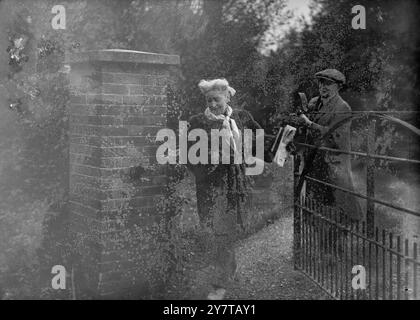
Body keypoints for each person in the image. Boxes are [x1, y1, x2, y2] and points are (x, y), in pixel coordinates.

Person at [186, 78, 278, 300]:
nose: (212, 105)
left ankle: (221, 282)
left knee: (224, 231)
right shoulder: (197, 122)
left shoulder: (241, 117)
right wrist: (211, 160)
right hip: (212, 186)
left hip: (235, 185)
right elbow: (189, 155)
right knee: (217, 231)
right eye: (208, 101)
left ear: (227, 97)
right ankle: (228, 271)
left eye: (216, 100)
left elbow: (260, 139)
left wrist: (283, 144)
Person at [298, 69, 363, 222]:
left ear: (338, 86)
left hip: (334, 160)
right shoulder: (314, 102)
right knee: (314, 193)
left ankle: (351, 223)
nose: (323, 87)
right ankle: (313, 223)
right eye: (321, 83)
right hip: (315, 157)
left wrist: (309, 123)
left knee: (340, 196)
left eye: (328, 83)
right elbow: (307, 127)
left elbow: (335, 137)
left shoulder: (343, 108)